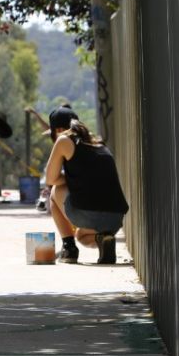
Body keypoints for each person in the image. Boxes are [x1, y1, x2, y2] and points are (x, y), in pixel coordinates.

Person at [43, 105, 129, 264]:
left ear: (59, 129)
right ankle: (104, 239)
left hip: (88, 215)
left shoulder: (64, 140)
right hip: (115, 219)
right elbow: (88, 176)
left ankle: (69, 249)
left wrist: (63, 179)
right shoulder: (97, 141)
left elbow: (50, 179)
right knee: (81, 236)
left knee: (55, 191)